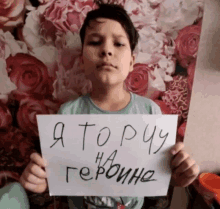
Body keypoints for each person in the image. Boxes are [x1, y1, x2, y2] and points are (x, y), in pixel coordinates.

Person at [19, 1, 200, 208]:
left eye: (119, 44)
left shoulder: (150, 112)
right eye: (95, 42)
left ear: (132, 62)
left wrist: (177, 177)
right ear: (82, 61)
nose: (106, 50)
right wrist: (39, 184)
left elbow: (157, 184)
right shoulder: (68, 114)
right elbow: (57, 179)